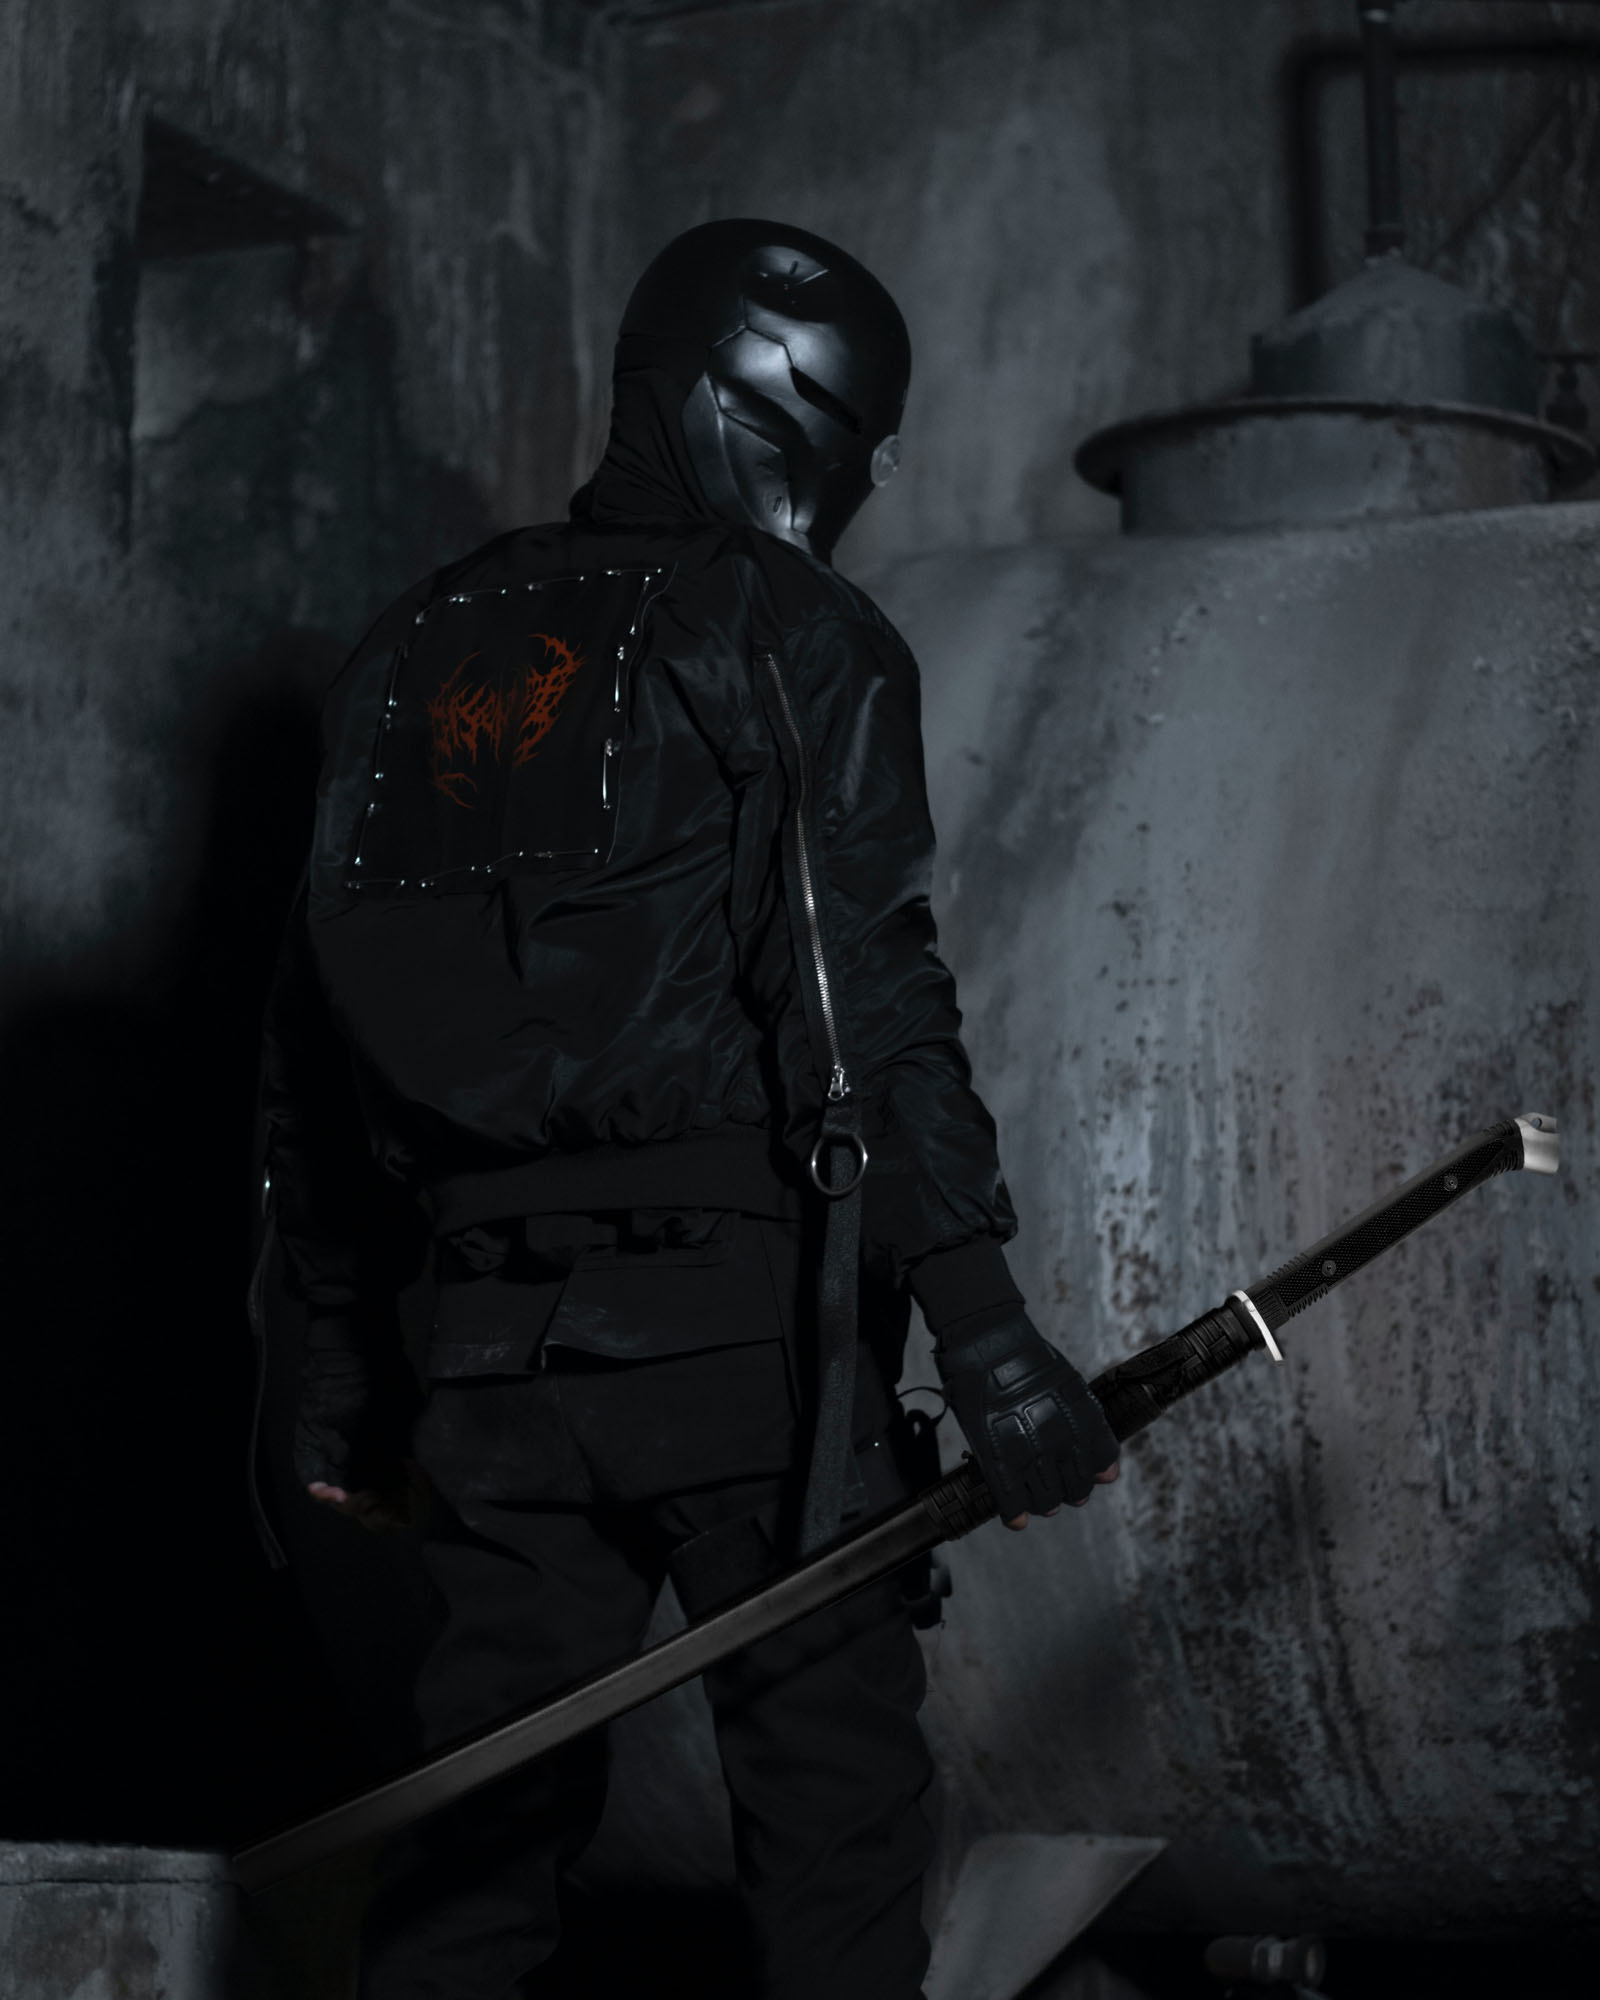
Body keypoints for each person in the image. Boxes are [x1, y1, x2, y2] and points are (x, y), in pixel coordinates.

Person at [260, 218, 1119, 2000]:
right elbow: (866, 990)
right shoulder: (791, 627)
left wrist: (337, 1370)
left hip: (487, 1360)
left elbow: (313, 1048)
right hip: (753, 1362)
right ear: (803, 416)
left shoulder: (411, 644)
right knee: (834, 1844)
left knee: (473, 1850)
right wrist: (985, 1331)